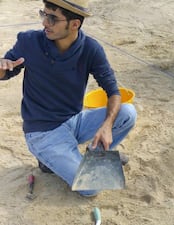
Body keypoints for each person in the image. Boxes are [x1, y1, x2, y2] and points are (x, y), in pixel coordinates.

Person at [0, 0, 137, 197]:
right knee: (91, 188)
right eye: (43, 14)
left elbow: (113, 92)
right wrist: (2, 66)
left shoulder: (91, 49)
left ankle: (90, 156)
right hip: (42, 132)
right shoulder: (29, 41)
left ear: (75, 24)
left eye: (52, 18)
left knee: (127, 113)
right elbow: (6, 71)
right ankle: (53, 159)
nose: (45, 23)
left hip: (74, 121)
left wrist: (107, 126)